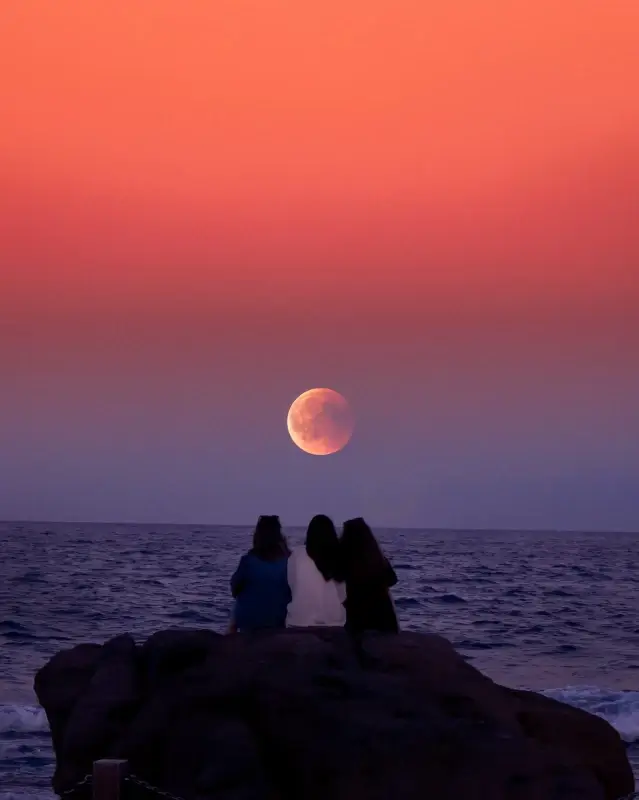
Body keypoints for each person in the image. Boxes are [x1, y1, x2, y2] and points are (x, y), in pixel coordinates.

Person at [229, 515, 291, 632]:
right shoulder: (289, 562)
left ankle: (229, 639)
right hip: (279, 621)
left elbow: (234, 590)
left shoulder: (248, 561)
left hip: (249, 624)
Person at [340, 517, 399, 634]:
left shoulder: (346, 559)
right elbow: (392, 580)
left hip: (358, 618)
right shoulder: (378, 558)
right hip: (384, 617)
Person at [286, 514, 346, 628]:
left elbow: (292, 585)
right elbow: (343, 595)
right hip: (334, 623)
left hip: (299, 621)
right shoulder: (339, 556)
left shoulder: (297, 554)